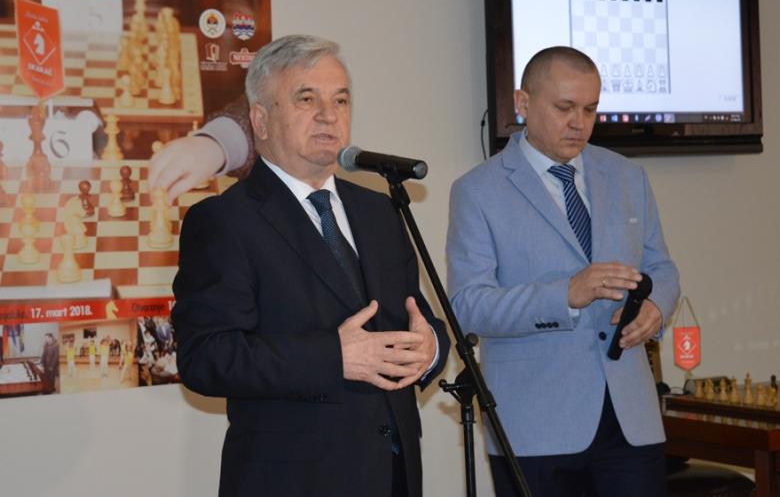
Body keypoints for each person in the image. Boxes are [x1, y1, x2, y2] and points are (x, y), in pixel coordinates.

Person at [171, 34, 449, 497]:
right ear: (260, 120)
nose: (329, 114)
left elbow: (415, 317)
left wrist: (430, 349)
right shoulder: (224, 220)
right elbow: (206, 358)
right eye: (306, 99)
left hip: (392, 474)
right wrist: (334, 356)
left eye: (340, 100)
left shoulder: (380, 211)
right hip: (293, 479)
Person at [446, 46, 680, 497]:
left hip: (630, 420)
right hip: (535, 425)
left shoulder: (627, 176)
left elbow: (662, 267)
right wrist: (565, 295)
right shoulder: (478, 191)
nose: (579, 123)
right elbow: (467, 306)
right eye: (564, 107)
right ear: (523, 102)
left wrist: (655, 307)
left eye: (590, 109)